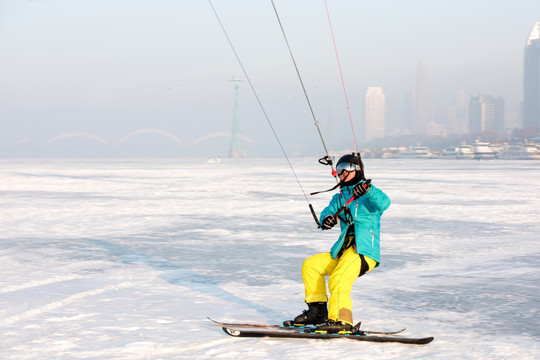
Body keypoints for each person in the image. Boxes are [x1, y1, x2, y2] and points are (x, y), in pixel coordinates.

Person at [284, 153, 391, 333]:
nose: (340, 174)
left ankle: (342, 320)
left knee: (339, 278)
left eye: (345, 170)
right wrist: (326, 219)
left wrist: (368, 190)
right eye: (339, 170)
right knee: (311, 265)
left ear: (356, 170)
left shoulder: (368, 194)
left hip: (364, 251)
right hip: (343, 251)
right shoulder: (340, 197)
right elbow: (328, 212)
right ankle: (317, 312)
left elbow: (384, 203)